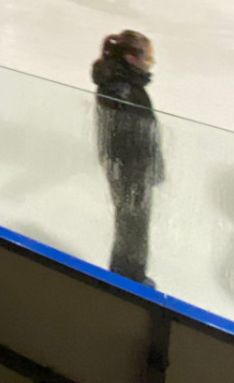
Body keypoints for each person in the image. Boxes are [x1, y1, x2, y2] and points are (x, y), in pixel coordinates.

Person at [92, 30, 162, 287]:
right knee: (133, 224)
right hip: (130, 168)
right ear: (132, 59)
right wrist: (149, 166)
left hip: (125, 166)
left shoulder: (121, 84)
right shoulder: (124, 90)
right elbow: (135, 136)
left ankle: (127, 273)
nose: (150, 64)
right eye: (148, 59)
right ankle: (130, 277)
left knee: (130, 222)